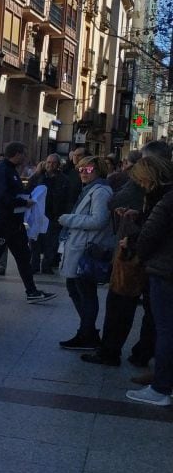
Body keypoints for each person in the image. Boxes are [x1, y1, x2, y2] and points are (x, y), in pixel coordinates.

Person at [81, 151, 173, 368]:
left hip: (145, 258)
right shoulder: (163, 193)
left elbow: (154, 229)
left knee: (122, 304)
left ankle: (112, 352)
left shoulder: (161, 194)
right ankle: (143, 354)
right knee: (152, 314)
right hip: (155, 260)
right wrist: (138, 215)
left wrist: (132, 240)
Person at [0, 142, 56, 304]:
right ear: (16, 154)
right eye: (23, 153)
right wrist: (23, 203)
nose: (25, 157)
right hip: (3, 221)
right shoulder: (2, 170)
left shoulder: (10, 170)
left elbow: (13, 192)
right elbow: (1, 196)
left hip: (13, 222)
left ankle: (31, 291)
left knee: (23, 256)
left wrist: (26, 197)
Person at [56, 155, 116, 351]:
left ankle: (87, 333)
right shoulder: (89, 190)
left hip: (87, 249)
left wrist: (69, 219)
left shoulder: (100, 191)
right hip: (80, 245)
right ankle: (87, 331)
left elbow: (98, 220)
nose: (83, 172)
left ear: (98, 171)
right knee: (75, 287)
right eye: (80, 169)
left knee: (84, 290)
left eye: (88, 169)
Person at [125, 181, 173, 406]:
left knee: (166, 330)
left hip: (165, 271)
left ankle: (161, 387)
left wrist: (138, 253)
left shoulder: (169, 199)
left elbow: (150, 234)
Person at [30, 154, 71, 275]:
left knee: (51, 243)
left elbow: (68, 198)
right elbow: (29, 190)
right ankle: (34, 264)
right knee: (35, 241)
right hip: (38, 214)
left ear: (58, 165)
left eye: (53, 163)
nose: (50, 165)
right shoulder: (38, 177)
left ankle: (46, 265)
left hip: (54, 216)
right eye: (48, 162)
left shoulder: (64, 180)